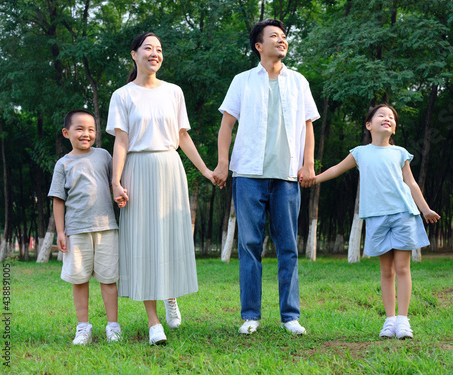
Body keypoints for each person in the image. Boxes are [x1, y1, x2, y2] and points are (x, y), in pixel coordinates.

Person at [106, 32, 215, 345]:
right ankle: (154, 322)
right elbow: (122, 141)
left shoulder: (174, 92)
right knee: (142, 242)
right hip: (138, 170)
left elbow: (182, 137)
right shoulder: (122, 95)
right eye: (148, 48)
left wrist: (206, 170)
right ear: (134, 55)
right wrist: (116, 181)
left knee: (168, 238)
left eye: (159, 49)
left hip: (170, 168)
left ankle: (170, 295)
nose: (154, 54)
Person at [213, 19, 320, 335]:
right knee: (249, 245)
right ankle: (251, 316)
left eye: (284, 36)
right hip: (248, 174)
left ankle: (290, 316)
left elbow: (308, 125)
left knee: (288, 247)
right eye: (274, 36)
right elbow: (226, 126)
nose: (282, 40)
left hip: (287, 177)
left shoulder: (298, 82)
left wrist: (308, 163)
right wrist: (222, 164)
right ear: (259, 45)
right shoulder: (243, 81)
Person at [314, 104, 440, 339]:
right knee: (386, 270)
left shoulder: (400, 152)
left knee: (402, 268)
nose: (387, 118)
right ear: (368, 125)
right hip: (376, 217)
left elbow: (411, 183)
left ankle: (403, 321)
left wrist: (425, 209)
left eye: (391, 117)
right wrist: (314, 178)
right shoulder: (360, 152)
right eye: (381, 115)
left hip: (403, 214)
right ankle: (389, 320)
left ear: (393, 128)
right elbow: (336, 169)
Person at [48, 110, 121, 345]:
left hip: (106, 227)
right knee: (79, 280)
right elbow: (58, 199)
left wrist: (120, 193)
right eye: (79, 129)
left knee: (108, 279)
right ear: (66, 132)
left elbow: (115, 183)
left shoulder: (104, 156)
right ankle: (83, 327)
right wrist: (60, 232)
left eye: (91, 129)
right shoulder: (64, 164)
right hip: (76, 230)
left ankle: (113, 326)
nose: (86, 134)